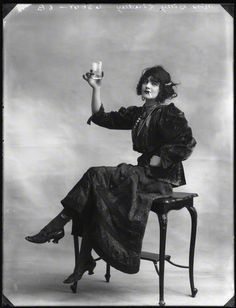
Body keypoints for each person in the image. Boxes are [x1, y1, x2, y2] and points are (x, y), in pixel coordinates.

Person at [25, 65, 196, 284]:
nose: (147, 85)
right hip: (140, 175)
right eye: (145, 81)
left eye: (154, 83)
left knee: (96, 174)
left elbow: (187, 143)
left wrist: (162, 158)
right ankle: (83, 256)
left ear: (163, 88)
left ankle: (59, 224)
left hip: (159, 179)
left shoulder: (170, 113)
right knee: (96, 188)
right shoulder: (138, 114)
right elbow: (101, 118)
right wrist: (95, 88)